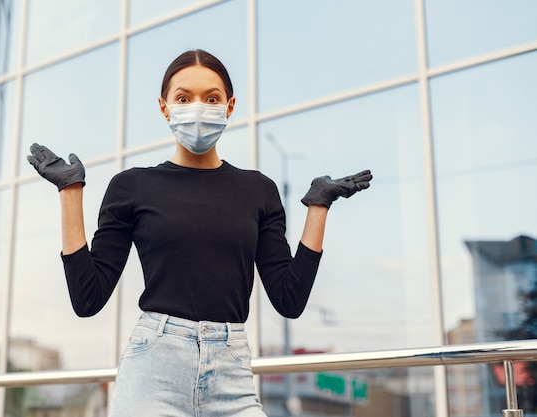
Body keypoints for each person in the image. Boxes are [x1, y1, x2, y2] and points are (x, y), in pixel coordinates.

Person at [27, 49, 372, 417]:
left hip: (232, 373)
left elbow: (290, 299)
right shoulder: (131, 186)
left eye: (211, 98)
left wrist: (318, 206)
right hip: (153, 370)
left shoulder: (259, 191)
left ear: (229, 105)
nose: (197, 107)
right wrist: (70, 193)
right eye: (183, 98)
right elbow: (87, 298)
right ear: (164, 108)